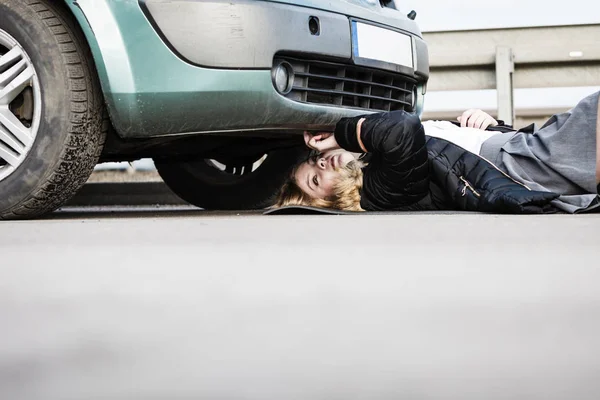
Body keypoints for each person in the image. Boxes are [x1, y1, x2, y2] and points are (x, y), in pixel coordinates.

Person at [273, 91, 600, 214]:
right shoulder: (379, 191)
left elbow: (452, 154)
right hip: (518, 166)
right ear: (329, 202)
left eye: (314, 162)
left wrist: (490, 127)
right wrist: (336, 136)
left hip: (517, 151)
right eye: (316, 179)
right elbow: (402, 128)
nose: (323, 162)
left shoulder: (374, 163)